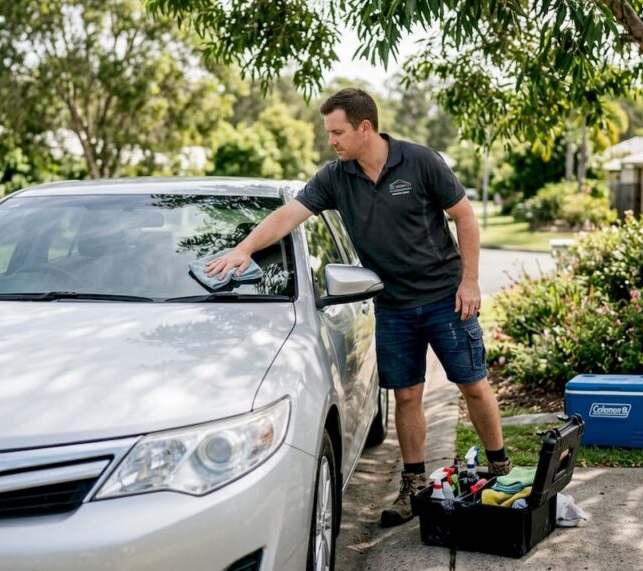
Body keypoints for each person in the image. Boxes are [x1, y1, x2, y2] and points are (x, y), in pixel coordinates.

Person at [206, 88, 510, 527]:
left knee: (473, 384)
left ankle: (500, 470)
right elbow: (289, 215)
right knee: (406, 396)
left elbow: (464, 216)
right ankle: (412, 486)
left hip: (446, 297)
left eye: (337, 131)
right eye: (329, 132)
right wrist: (245, 249)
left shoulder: (421, 162)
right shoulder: (335, 176)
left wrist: (470, 280)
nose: (331, 140)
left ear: (365, 128)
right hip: (392, 305)